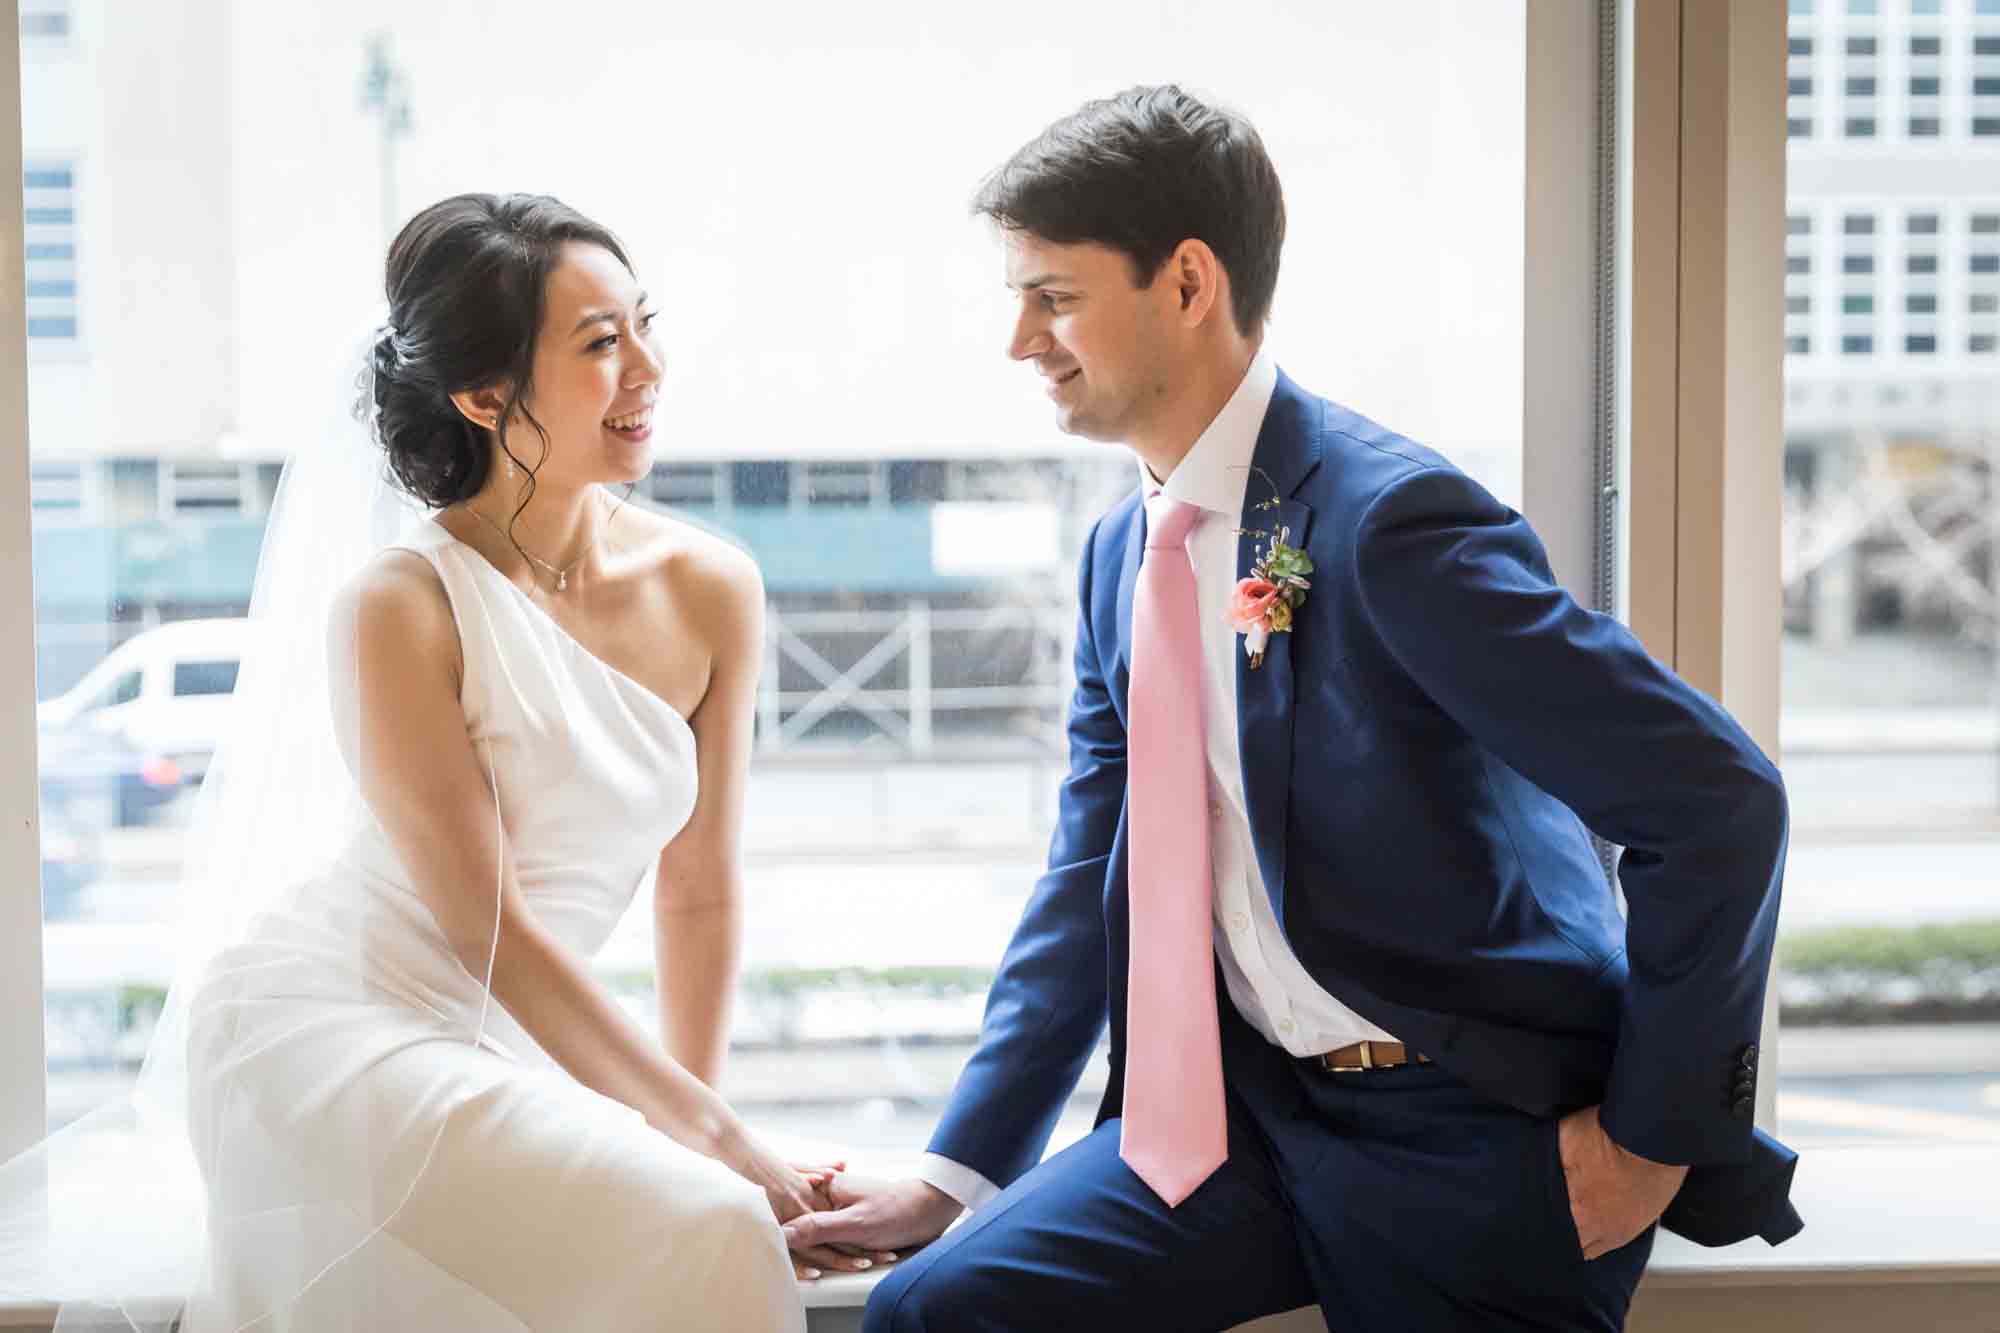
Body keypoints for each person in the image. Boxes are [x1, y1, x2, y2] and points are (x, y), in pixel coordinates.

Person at [781, 86, 1803, 1333]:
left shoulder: (1392, 526)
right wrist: (956, 1173)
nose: (1019, 341)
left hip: (1471, 1136)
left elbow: (1715, 803)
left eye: (1051, 297)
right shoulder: (1119, 557)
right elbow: (1093, 876)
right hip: (1237, 1123)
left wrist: (1650, 1139)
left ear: (1188, 281)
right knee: (932, 1314)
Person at [167, 193, 879, 1331]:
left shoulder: (711, 588)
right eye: (601, 343)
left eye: (643, 325)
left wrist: (695, 1121)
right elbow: (482, 925)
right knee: (708, 1222)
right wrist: (715, 1146)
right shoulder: (400, 606)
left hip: (512, 1043)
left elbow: (697, 888)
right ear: (484, 394)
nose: (647, 368)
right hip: (333, 1024)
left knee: (705, 1212)